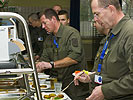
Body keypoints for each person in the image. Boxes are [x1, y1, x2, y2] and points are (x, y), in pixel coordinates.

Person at [74, 0, 133, 100]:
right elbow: (112, 72)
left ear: (111, 9)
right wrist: (90, 78)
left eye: (97, 14)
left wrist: (105, 91)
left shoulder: (129, 33)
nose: (95, 19)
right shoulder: (112, 33)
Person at [36, 8, 90, 100]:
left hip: (75, 86)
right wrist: (35, 69)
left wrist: (51, 64)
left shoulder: (71, 33)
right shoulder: (49, 39)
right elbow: (44, 60)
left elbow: (75, 57)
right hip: (58, 85)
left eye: (45, 23)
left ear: (53, 19)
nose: (43, 27)